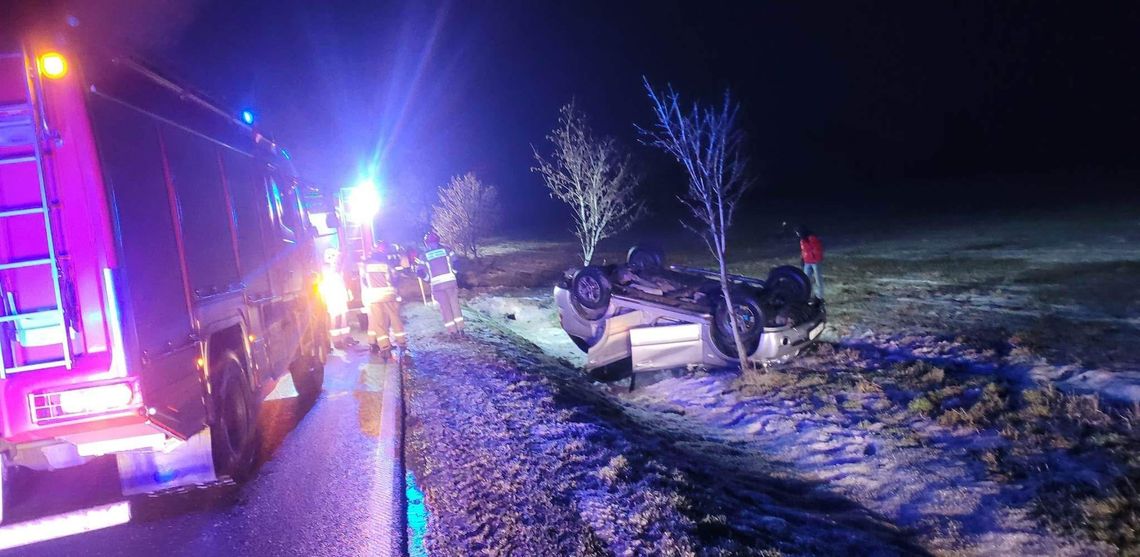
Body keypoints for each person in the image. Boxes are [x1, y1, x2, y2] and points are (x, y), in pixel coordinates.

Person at [359, 240, 407, 360]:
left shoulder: (366, 264)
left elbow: (364, 280)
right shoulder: (387, 262)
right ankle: (402, 343)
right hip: (389, 294)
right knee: (395, 318)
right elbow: (394, 277)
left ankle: (385, 348)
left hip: (374, 296)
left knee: (379, 323)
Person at [418, 231, 464, 336]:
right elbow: (457, 264)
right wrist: (454, 274)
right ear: (438, 240)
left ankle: (452, 332)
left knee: (445, 308)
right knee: (455, 305)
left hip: (437, 285)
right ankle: (461, 329)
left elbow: (419, 272)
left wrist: (428, 279)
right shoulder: (447, 250)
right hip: (450, 282)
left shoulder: (423, 256)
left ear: (426, 243)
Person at [319, 248, 353, 349]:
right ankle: (337, 341)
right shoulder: (326, 270)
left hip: (340, 298)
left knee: (344, 320)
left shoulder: (336, 270)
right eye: (336, 258)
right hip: (334, 299)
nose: (338, 260)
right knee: (336, 321)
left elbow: (342, 283)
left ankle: (345, 338)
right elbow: (325, 286)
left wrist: (347, 293)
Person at [796, 225, 824, 300]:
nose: (797, 235)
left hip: (815, 262)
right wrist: (803, 259)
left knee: (818, 279)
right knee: (806, 280)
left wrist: (814, 257)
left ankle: (820, 297)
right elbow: (803, 251)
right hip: (807, 262)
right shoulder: (802, 240)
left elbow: (816, 249)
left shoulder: (812, 238)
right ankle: (808, 296)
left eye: (798, 233)